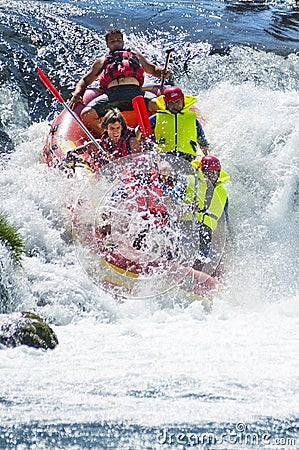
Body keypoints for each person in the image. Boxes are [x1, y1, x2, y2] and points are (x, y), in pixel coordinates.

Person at [68, 29, 171, 134]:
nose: (116, 43)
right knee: (87, 114)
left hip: (136, 93)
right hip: (112, 96)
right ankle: (111, 138)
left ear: (123, 42)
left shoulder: (135, 56)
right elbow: (85, 80)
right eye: (112, 41)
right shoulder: (102, 61)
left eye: (118, 40)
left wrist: (163, 71)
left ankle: (152, 135)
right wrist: (77, 94)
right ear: (107, 44)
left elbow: (154, 70)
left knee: (161, 106)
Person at [170, 155, 230, 269]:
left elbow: (224, 221)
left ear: (218, 173)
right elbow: (172, 198)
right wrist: (186, 206)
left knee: (201, 256)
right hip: (186, 223)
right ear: (202, 172)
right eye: (207, 173)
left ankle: (195, 275)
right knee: (183, 249)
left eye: (214, 173)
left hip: (206, 230)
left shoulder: (223, 193)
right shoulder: (190, 182)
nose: (211, 176)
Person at [149, 86, 209, 162]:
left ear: (183, 101)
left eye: (177, 102)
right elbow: (141, 128)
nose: (175, 106)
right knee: (167, 168)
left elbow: (202, 139)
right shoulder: (158, 117)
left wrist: (205, 156)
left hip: (187, 156)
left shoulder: (192, 118)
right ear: (166, 104)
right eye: (171, 103)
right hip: (165, 155)